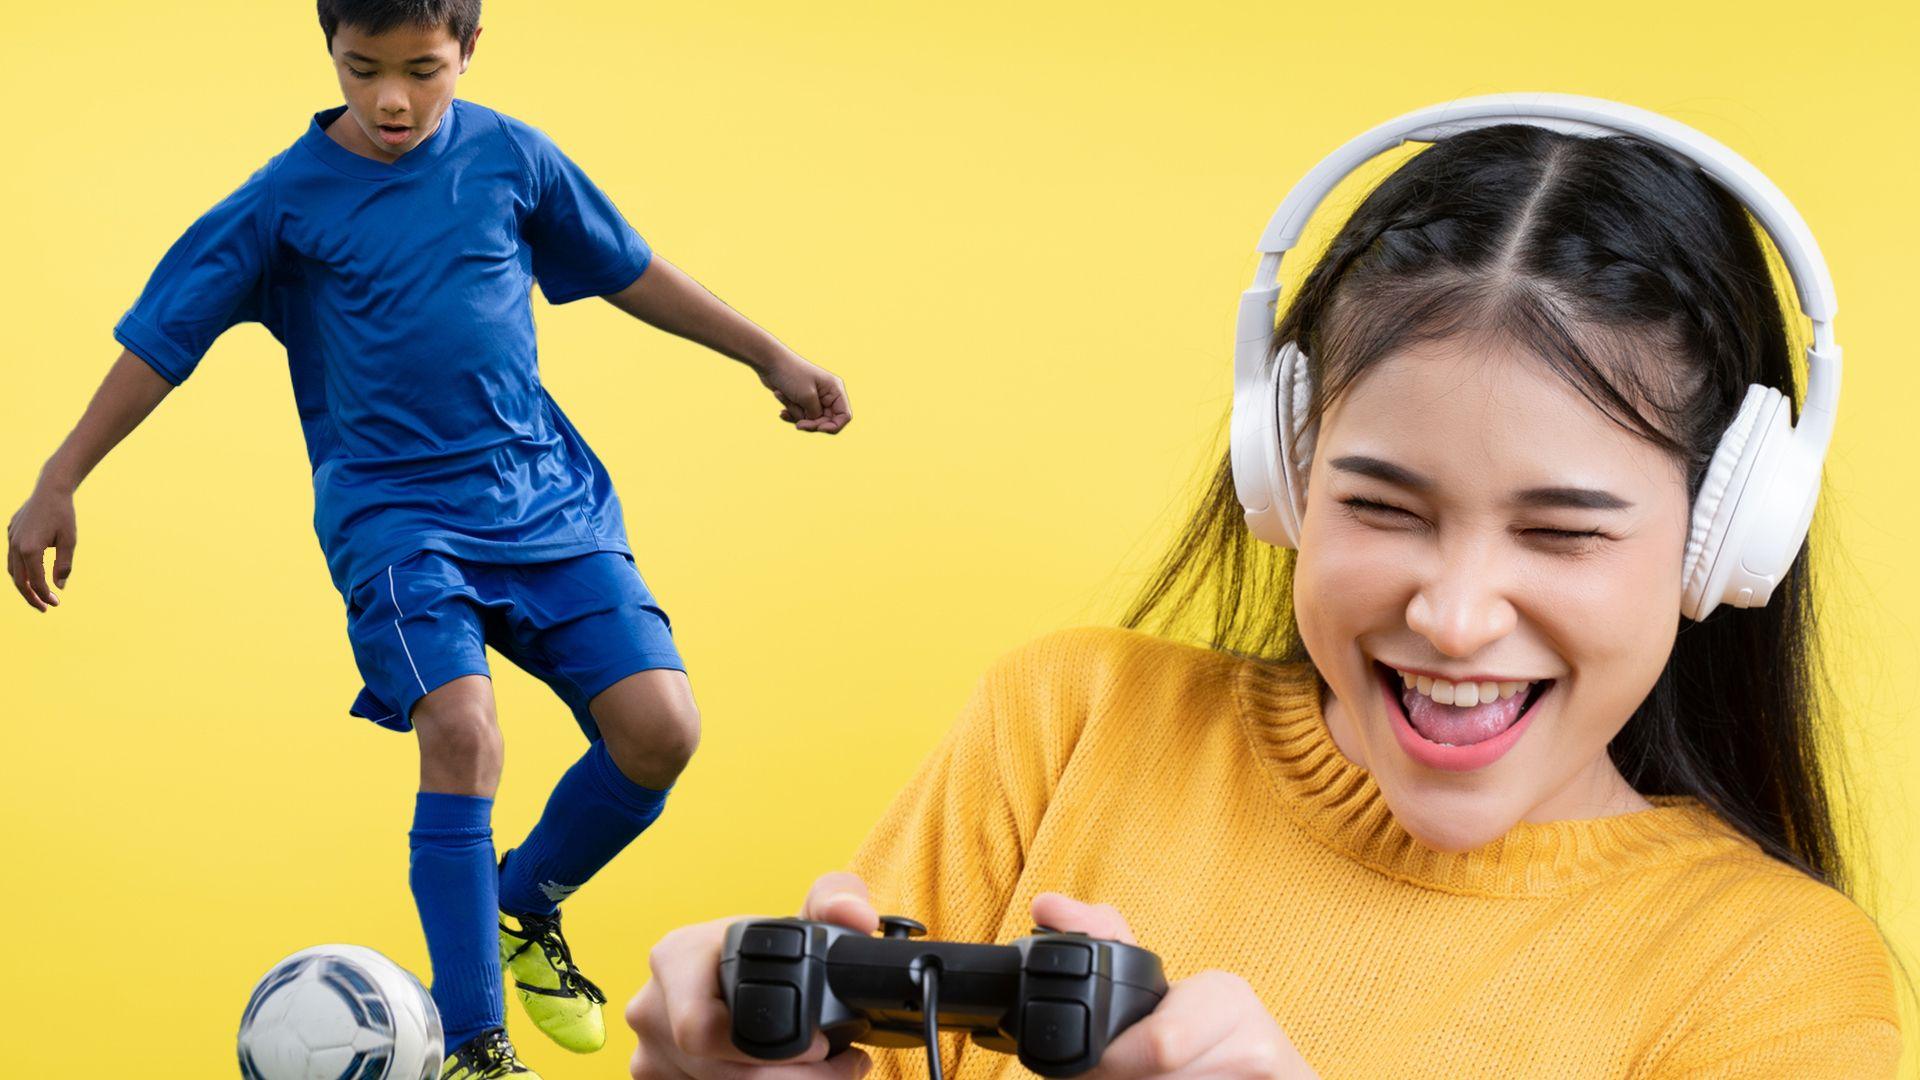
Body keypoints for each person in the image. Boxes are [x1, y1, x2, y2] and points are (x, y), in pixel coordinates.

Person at [623, 99, 1905, 1079]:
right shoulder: (1070, 724)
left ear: (1723, 543)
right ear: (1283, 476)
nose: (1455, 616)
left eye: (1563, 534)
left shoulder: (1775, 983)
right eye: (1383, 507)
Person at [3, 1, 851, 1076]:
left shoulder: (512, 159)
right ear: (332, 55)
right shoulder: (282, 203)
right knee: (461, 731)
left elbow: (631, 267)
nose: (391, 99)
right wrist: (59, 477)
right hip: (396, 520)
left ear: (469, 52)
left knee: (661, 731)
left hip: (545, 501)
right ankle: (472, 1042)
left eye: (421, 70)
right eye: (361, 71)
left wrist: (767, 355)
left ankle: (515, 909)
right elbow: (163, 339)